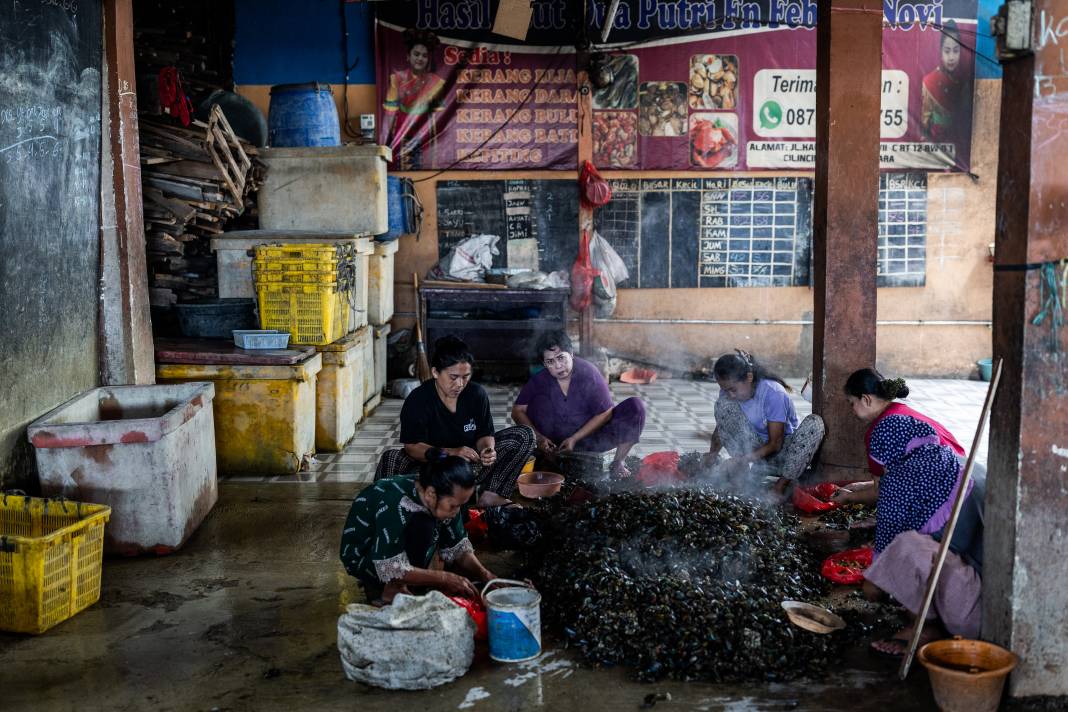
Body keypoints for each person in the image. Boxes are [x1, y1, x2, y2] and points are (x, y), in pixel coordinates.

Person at [835, 368, 984, 657]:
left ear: (866, 399)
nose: (851, 410)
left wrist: (875, 576)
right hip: (972, 482)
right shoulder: (904, 416)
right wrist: (857, 491)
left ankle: (924, 624)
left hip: (956, 506)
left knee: (907, 549)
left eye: (851, 403)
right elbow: (893, 481)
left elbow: (889, 512)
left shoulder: (881, 433)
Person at [375, 335, 535, 507]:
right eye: (453, 377)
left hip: (469, 468)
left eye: (465, 376)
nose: (460, 383)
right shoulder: (418, 399)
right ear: (435, 372)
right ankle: (383, 508)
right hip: (432, 470)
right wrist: (451, 452)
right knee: (390, 458)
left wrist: (487, 449)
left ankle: (489, 495)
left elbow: (484, 434)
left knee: (524, 435)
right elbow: (412, 447)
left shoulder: (476, 395)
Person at [340, 456, 498, 606]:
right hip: (367, 557)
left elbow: (458, 546)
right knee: (424, 525)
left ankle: (410, 581)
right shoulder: (394, 502)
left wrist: (485, 574)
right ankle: (388, 587)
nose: (457, 511)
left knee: (430, 526)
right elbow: (390, 564)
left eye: (461, 505)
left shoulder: (443, 495)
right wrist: (443, 578)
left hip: (392, 551)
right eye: (453, 506)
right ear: (431, 494)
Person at [512, 331, 645, 477]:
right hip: (553, 441)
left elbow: (606, 413)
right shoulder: (541, 379)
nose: (558, 366)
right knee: (535, 403)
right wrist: (539, 438)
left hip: (589, 439)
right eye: (550, 362)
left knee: (635, 407)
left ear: (571, 353)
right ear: (544, 364)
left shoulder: (589, 373)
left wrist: (574, 439)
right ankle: (548, 457)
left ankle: (618, 462)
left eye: (561, 358)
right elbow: (518, 411)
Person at [705, 350, 825, 494]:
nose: (730, 394)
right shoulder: (728, 394)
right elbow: (722, 426)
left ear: (749, 377)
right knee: (723, 404)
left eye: (733, 389)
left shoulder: (773, 393)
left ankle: (781, 485)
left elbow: (776, 444)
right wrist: (712, 454)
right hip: (757, 457)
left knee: (815, 423)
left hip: (785, 456)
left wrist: (742, 460)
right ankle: (742, 476)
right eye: (725, 389)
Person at [382, 29, 446, 170]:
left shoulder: (436, 82)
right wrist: (387, 141)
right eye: (416, 54)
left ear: (428, 59)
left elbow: (438, 118)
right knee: (401, 171)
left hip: (425, 132)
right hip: (401, 130)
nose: (420, 58)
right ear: (408, 56)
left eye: (424, 55)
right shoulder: (397, 78)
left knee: (423, 170)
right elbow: (390, 114)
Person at [920, 20, 971, 160]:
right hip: (936, 154)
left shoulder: (965, 84)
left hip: (960, 153)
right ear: (940, 51)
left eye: (956, 50)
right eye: (947, 51)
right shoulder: (929, 82)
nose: (951, 57)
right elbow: (924, 128)